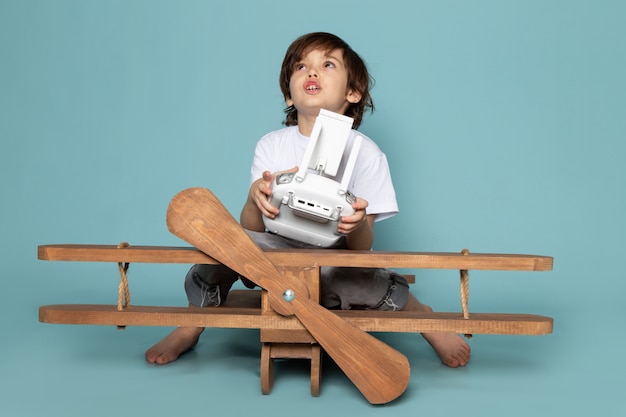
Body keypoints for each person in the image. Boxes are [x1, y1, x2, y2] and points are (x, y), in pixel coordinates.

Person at [146, 32, 470, 368]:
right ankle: (194, 322)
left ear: (353, 93)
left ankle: (422, 316)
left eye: (327, 65)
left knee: (364, 278)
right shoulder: (271, 145)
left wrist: (356, 223)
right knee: (222, 246)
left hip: (334, 261)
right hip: (272, 259)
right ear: (289, 94)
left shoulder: (366, 154)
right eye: (301, 67)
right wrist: (254, 196)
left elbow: (361, 247)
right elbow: (251, 228)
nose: (311, 73)